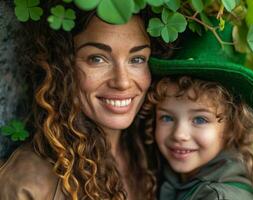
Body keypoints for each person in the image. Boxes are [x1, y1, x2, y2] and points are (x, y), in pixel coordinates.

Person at [0, 1, 156, 200]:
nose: (123, 82)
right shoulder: (27, 184)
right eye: (97, 59)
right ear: (63, 69)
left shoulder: (152, 152)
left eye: (137, 59)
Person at [141, 24, 253, 199]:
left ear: (232, 127)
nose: (180, 134)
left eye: (200, 120)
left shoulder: (215, 196)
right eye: (166, 117)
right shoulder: (182, 181)